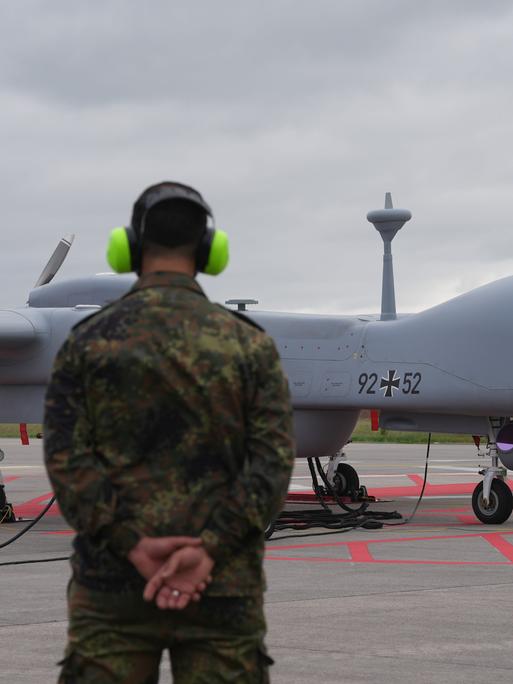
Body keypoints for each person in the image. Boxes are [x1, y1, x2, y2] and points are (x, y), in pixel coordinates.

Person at [43, 181, 295, 683]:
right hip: (221, 588)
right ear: (208, 253)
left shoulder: (87, 343)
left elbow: (67, 459)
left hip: (112, 584)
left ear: (130, 249)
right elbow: (271, 465)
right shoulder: (249, 347)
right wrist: (209, 551)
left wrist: (131, 543)